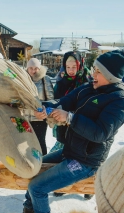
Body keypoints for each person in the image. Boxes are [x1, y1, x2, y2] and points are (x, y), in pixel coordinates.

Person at [9, 50, 124, 213]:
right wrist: (45, 109)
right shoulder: (88, 88)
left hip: (85, 161)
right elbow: (64, 101)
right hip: (70, 150)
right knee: (34, 166)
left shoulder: (119, 101)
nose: (93, 74)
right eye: (94, 70)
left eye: (98, 72)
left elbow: (101, 133)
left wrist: (70, 118)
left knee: (37, 187)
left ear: (111, 77)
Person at [50, 51, 93, 199]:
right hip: (63, 125)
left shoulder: (89, 82)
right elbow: (56, 100)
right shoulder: (61, 81)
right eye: (67, 67)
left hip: (81, 126)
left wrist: (72, 116)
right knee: (62, 158)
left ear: (80, 64)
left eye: (74, 66)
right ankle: (61, 186)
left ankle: (88, 187)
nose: (71, 70)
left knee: (82, 160)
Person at [26, 58, 54, 155]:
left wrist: (45, 110)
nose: (33, 71)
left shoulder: (45, 79)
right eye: (31, 68)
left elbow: (51, 99)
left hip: (40, 118)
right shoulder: (23, 79)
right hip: (26, 117)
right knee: (27, 143)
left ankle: (43, 162)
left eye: (36, 68)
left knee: (40, 141)